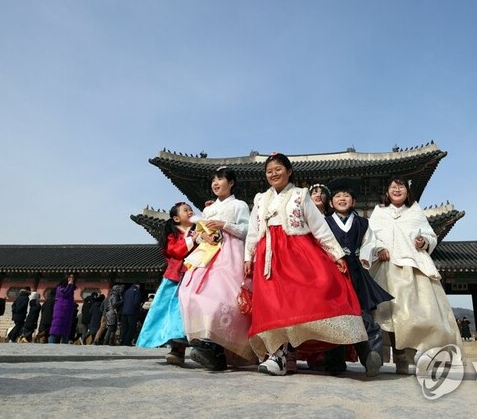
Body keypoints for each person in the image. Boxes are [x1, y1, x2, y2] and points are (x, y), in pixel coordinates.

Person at [244, 153, 367, 376]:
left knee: (299, 303)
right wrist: (248, 257)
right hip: (268, 256)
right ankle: (278, 355)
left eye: (278, 169)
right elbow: (254, 231)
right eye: (269, 171)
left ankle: (293, 354)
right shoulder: (260, 199)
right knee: (272, 305)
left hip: (297, 254)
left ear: (289, 171)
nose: (273, 174)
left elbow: (319, 226)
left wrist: (336, 254)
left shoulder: (301, 195)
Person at [364, 176, 463, 374]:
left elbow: (430, 235)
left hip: (414, 268)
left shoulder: (415, 211)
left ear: (407, 192)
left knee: (420, 314)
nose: (397, 190)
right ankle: (400, 356)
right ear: (387, 192)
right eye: (393, 187)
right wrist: (378, 248)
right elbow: (370, 237)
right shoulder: (379, 212)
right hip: (386, 269)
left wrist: (423, 241)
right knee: (392, 316)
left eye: (401, 187)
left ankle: (421, 352)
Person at [180, 167, 256, 371]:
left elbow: (247, 230)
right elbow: (198, 232)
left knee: (224, 298)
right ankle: (207, 343)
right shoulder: (208, 209)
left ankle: (216, 347)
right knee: (192, 292)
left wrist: (224, 224)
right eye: (213, 180)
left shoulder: (239, 205)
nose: (215, 183)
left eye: (220, 179)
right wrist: (203, 235)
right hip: (207, 254)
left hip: (230, 254)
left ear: (231, 183)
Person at [322, 186, 393, 377]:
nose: (342, 198)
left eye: (346, 195)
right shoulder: (324, 223)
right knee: (334, 316)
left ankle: (371, 356)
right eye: (338, 196)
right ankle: (334, 362)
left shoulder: (363, 223)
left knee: (361, 313)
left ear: (353, 201)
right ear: (331, 203)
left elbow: (369, 243)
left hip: (356, 272)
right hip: (332, 272)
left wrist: (365, 257)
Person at [135, 202, 196, 365]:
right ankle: (177, 349)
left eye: (191, 209)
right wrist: (193, 239)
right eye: (186, 210)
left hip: (195, 277)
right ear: (176, 218)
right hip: (175, 279)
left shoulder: (198, 231)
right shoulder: (173, 236)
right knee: (173, 312)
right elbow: (176, 251)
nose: (190, 212)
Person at [48, 274, 77, 344]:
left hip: (67, 312)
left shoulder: (71, 289)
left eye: (73, 277)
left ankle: (64, 346)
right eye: (70, 277)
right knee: (56, 329)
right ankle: (51, 345)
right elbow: (64, 293)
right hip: (60, 310)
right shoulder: (60, 288)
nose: (72, 279)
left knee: (66, 330)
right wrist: (69, 285)